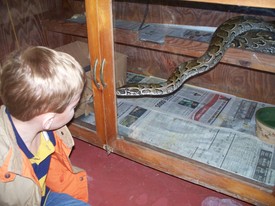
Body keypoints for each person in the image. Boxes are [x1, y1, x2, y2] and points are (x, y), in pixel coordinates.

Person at [0, 46, 89, 205]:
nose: (75, 112)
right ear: (48, 120)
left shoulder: (48, 131)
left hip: (42, 196)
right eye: (73, 108)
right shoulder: (3, 162)